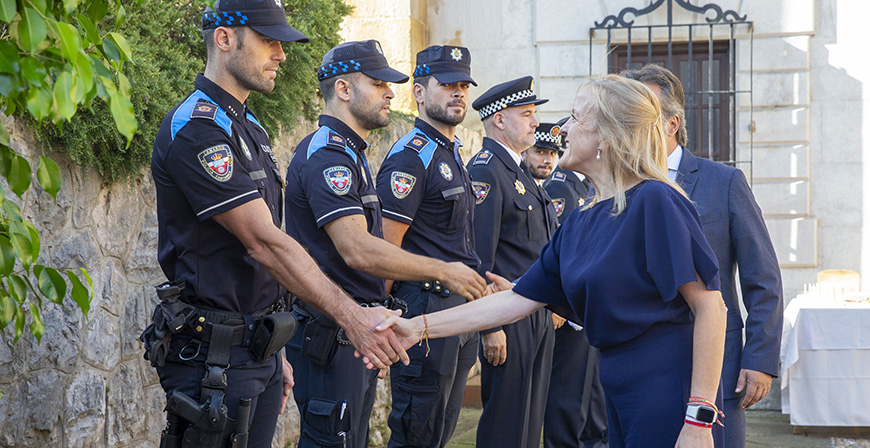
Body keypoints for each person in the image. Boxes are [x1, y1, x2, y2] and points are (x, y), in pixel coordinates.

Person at [375, 75, 728, 448]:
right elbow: (515, 300)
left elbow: (711, 307)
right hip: (618, 386)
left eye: (575, 118)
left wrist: (699, 418)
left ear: (607, 137)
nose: (561, 129)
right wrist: (416, 327)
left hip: (666, 389)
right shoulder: (582, 219)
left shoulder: (656, 201)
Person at [146, 2, 409, 446]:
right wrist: (352, 317)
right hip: (214, 357)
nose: (281, 54)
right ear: (225, 38)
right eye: (268, 41)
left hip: (256, 349)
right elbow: (264, 244)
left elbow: (264, 256)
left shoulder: (248, 126)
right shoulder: (198, 128)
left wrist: (276, 350)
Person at [283, 40, 486, 448]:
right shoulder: (328, 154)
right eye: (378, 84)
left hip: (356, 331)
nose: (390, 93)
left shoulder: (351, 153)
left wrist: (380, 324)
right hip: (330, 332)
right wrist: (444, 270)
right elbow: (358, 249)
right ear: (343, 89)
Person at [622, 64, 783, 448]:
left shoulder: (723, 182)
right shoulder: (620, 185)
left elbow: (762, 276)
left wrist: (759, 359)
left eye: (641, 113)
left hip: (715, 369)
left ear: (671, 123)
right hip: (641, 367)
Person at [376, 45, 483, 448]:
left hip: (459, 312)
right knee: (417, 433)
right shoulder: (411, 157)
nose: (458, 93)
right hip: (425, 308)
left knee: (441, 432)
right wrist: (381, 321)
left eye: (463, 86)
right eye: (447, 84)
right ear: (419, 92)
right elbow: (385, 247)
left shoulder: (451, 153)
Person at [466, 76, 557, 448]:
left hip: (534, 311)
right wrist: (490, 326)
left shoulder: (519, 172)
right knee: (507, 422)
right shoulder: (487, 170)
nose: (536, 122)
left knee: (530, 420)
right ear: (500, 120)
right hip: (507, 315)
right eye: (527, 113)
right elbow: (479, 258)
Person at [540, 121, 607, 448]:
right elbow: (561, 252)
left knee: (591, 398)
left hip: (585, 309)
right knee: (568, 398)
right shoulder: (561, 186)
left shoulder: (587, 187)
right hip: (568, 313)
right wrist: (561, 306)